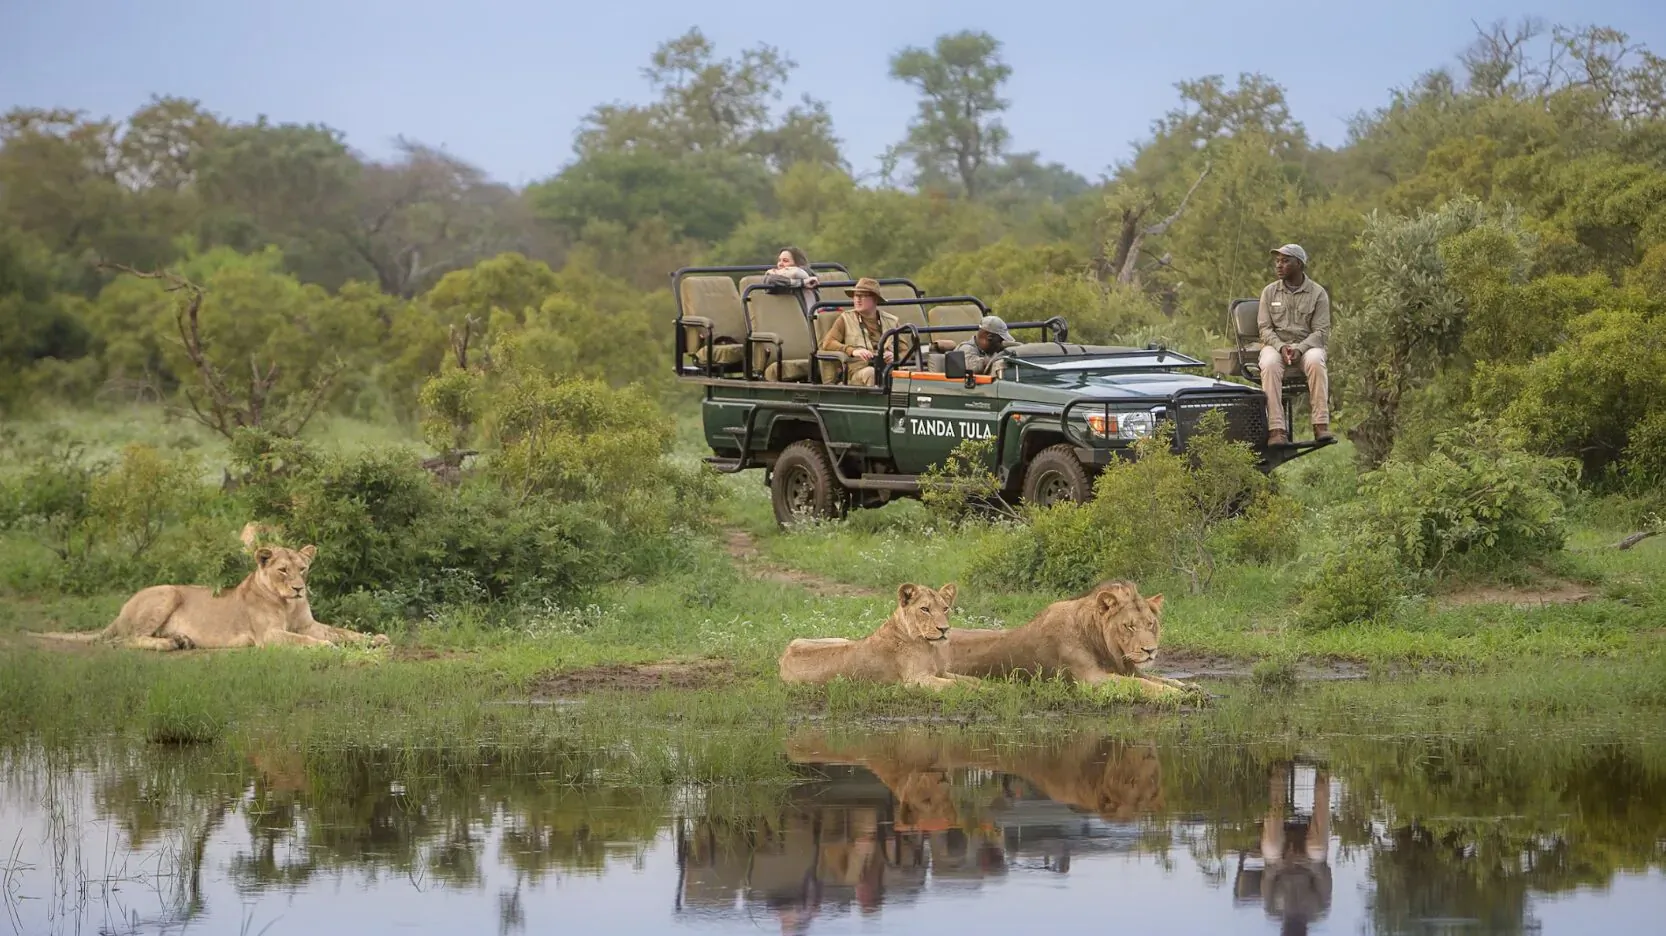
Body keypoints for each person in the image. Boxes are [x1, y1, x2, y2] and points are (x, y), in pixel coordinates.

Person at [1256, 244, 1332, 446]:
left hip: (1306, 346)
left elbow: (1321, 331)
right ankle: (1277, 429)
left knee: (1316, 360)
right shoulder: (1269, 292)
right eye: (1277, 261)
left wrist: (1300, 349)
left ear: (1299, 264)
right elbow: (1264, 329)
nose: (1279, 266)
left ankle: (1321, 424)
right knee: (1270, 364)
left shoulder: (1317, 293)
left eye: (1285, 261)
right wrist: (1281, 347)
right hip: (1275, 345)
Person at [818, 277, 900, 387]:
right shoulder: (846, 318)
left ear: (875, 299)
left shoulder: (891, 321)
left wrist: (895, 356)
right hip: (857, 373)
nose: (857, 299)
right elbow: (828, 343)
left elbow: (905, 350)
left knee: (905, 375)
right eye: (856, 296)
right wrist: (852, 351)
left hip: (887, 368)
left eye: (863, 296)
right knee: (871, 373)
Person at [948, 315, 1014, 375]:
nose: (1001, 344)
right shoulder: (966, 349)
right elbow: (973, 368)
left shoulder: (988, 351)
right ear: (990, 337)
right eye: (1000, 341)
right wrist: (998, 358)